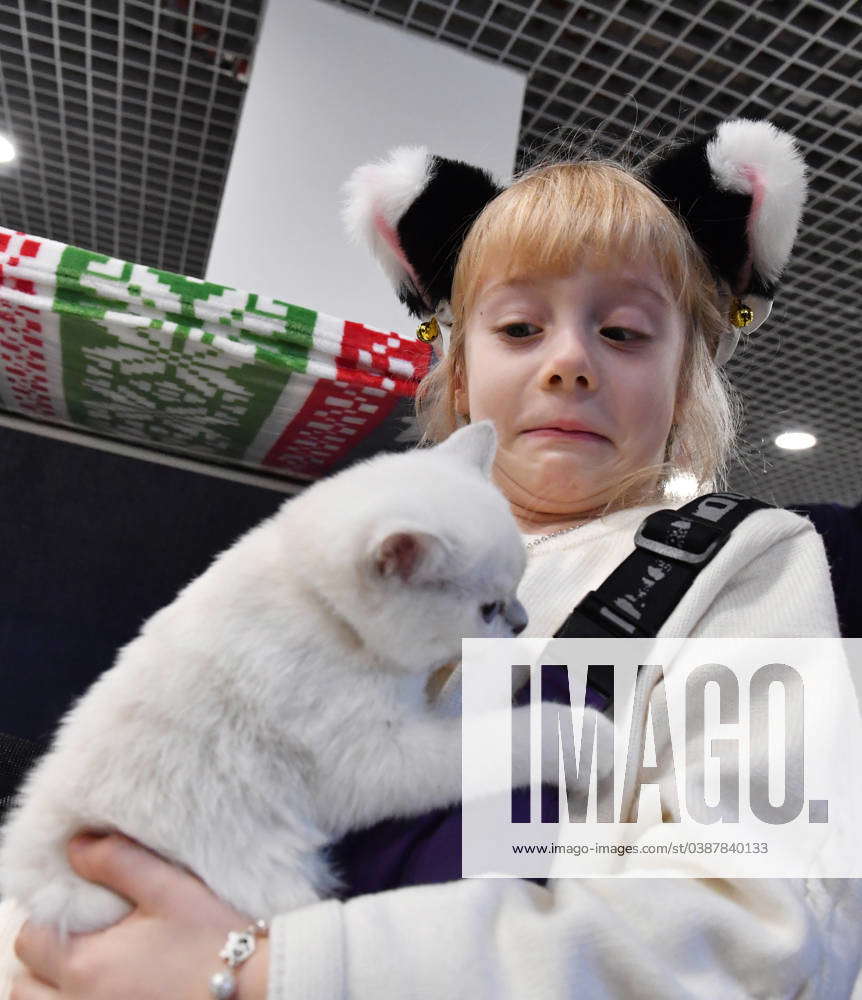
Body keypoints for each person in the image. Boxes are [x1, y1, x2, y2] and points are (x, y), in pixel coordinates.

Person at [10, 120, 862, 999]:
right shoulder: (352, 552)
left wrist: (264, 972)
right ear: (459, 372)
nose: (569, 361)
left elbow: (766, 930)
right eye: (522, 327)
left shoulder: (743, 567)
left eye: (624, 333)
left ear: (688, 377)